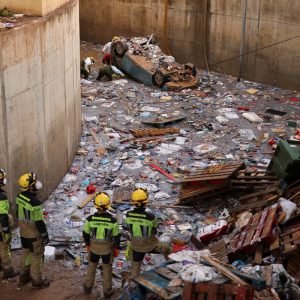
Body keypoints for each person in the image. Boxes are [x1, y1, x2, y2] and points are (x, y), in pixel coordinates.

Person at [125, 188, 171, 278]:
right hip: (151, 245)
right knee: (168, 249)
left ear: (133, 202)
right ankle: (169, 268)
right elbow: (155, 229)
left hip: (136, 246)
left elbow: (127, 228)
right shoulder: (151, 216)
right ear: (146, 202)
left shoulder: (128, 214)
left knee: (134, 271)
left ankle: (133, 283)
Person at [83, 192, 120, 298]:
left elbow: (85, 233)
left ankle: (87, 287)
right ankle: (107, 291)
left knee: (92, 266)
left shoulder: (90, 219)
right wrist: (116, 248)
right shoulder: (113, 221)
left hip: (94, 248)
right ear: (108, 205)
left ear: (96, 206)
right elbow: (116, 236)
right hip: (107, 250)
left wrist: (88, 245)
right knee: (107, 269)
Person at [16, 172, 49, 289]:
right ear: (30, 187)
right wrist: (45, 235)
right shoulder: (35, 203)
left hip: (24, 233)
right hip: (34, 235)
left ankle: (23, 277)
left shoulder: (19, 197)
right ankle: (37, 281)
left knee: (26, 253)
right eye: (34, 183)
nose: (36, 185)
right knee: (37, 256)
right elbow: (39, 222)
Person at [0, 169, 18, 279]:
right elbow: (2, 215)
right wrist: (6, 230)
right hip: (1, 228)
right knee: (4, 248)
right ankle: (8, 270)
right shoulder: (1, 197)